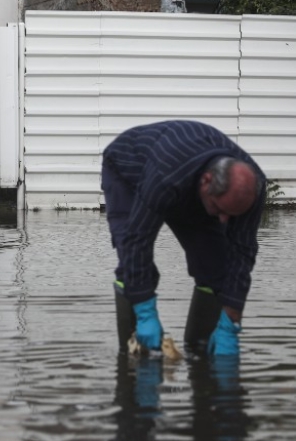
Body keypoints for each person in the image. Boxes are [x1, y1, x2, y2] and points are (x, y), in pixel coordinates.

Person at [101, 120, 266, 357]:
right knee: (134, 265)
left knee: (217, 270)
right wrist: (146, 311)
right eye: (219, 209)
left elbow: (243, 252)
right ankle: (134, 358)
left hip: (188, 184)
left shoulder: (253, 188)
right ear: (207, 181)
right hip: (129, 173)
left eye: (230, 215)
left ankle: (201, 355)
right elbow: (136, 241)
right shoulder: (166, 174)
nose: (223, 220)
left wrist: (232, 320)